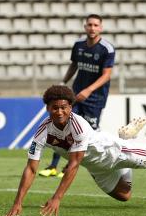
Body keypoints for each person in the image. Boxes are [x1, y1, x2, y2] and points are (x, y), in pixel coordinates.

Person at [3, 85, 146, 216]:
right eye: (55, 108)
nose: (60, 111)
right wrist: (18, 202)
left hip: (112, 151)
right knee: (124, 196)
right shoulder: (42, 131)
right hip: (95, 166)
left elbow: (73, 165)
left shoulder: (78, 125)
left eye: (64, 107)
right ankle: (127, 137)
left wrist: (57, 197)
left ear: (70, 107)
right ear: (47, 109)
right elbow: (31, 167)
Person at [38, 14, 115, 178]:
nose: (92, 28)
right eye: (89, 25)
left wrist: (89, 90)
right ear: (85, 27)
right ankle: (53, 166)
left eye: (95, 25)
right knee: (63, 126)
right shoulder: (78, 45)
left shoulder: (107, 49)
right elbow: (74, 65)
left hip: (95, 99)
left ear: (100, 28)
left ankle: (69, 166)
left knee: (88, 133)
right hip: (75, 95)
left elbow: (106, 75)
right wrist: (63, 82)